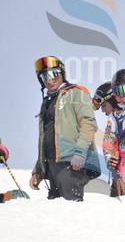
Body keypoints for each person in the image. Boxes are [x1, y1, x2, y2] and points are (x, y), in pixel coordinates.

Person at [29, 56, 101, 201]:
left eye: (54, 73)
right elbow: (45, 137)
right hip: (53, 164)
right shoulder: (47, 102)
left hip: (72, 161)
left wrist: (80, 151)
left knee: (71, 205)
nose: (49, 79)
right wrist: (39, 169)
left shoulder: (76, 93)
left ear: (62, 73)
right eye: (44, 76)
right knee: (57, 209)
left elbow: (89, 123)